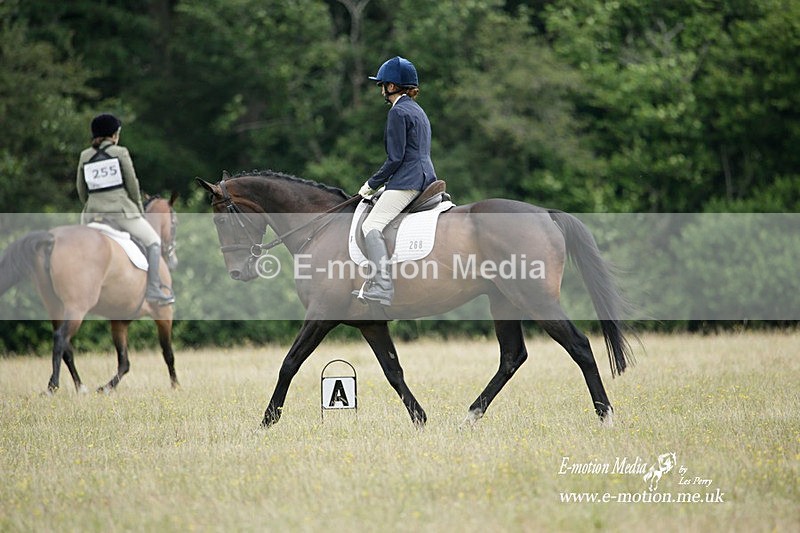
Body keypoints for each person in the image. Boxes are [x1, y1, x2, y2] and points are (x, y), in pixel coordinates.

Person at [354, 56, 438, 306]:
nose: (381, 89)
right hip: (425, 175)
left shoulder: (398, 111)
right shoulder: (417, 110)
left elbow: (395, 158)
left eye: (383, 85)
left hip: (408, 179)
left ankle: (381, 287)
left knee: (371, 226)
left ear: (391, 86)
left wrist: (371, 184)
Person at [76, 113, 174, 305]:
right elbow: (132, 185)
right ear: (113, 135)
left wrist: (91, 205)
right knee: (153, 241)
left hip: (92, 214)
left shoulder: (85, 156)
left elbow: (81, 189)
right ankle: (153, 289)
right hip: (120, 212)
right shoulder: (120, 152)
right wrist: (138, 209)